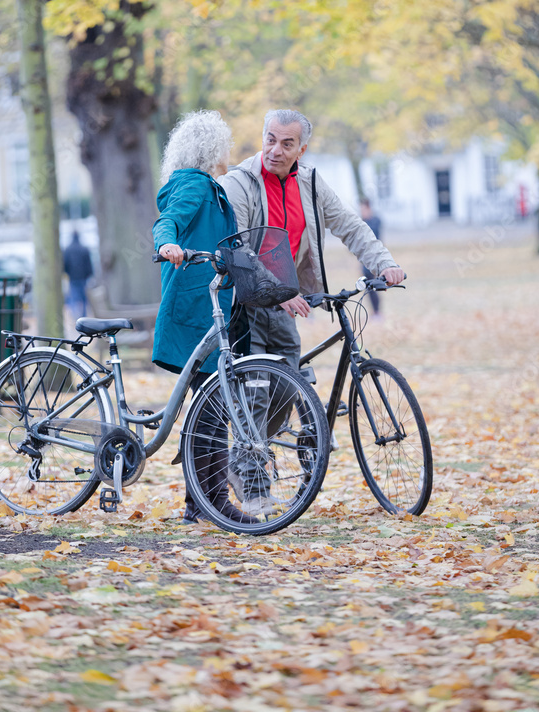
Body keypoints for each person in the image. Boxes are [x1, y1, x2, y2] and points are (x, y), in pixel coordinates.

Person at [221, 108, 405, 509]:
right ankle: (252, 483)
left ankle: (246, 456)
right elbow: (237, 245)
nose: (276, 150)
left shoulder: (312, 184)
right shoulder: (240, 183)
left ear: (302, 148)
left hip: (286, 304)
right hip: (245, 303)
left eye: (287, 143)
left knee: (286, 390)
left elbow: (350, 226)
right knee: (254, 393)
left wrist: (384, 262)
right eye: (270, 139)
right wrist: (275, 290)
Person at [152, 110, 253, 525]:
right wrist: (167, 245)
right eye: (222, 146)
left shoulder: (209, 187)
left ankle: (206, 502)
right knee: (211, 408)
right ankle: (206, 503)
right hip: (195, 308)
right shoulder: (194, 185)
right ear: (210, 149)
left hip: (210, 305)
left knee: (212, 405)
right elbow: (168, 222)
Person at [359, 198, 383, 316]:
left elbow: (374, 238)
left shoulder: (375, 221)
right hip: (364, 260)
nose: (362, 212)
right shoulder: (363, 221)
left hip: (374, 258)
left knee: (374, 286)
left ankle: (377, 311)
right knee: (368, 286)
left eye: (363, 209)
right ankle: (374, 311)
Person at [63, 231, 94, 319]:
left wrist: (67, 273)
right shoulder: (84, 249)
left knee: (74, 297)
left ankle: (75, 315)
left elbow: (65, 264)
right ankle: (84, 315)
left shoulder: (68, 249)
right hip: (83, 278)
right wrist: (89, 274)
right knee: (84, 297)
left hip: (73, 278)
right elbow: (89, 264)